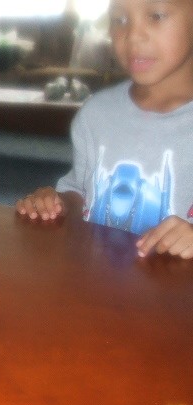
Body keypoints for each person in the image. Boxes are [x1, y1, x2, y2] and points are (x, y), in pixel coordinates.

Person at [15, 0, 193, 260]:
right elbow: (82, 191)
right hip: (93, 277)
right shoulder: (95, 114)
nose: (132, 35)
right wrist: (57, 203)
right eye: (120, 20)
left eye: (156, 16)